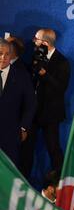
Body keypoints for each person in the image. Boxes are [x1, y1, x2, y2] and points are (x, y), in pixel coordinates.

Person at [21, 28, 71, 178]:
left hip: (51, 114)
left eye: (36, 39)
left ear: (45, 42)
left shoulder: (62, 62)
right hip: (34, 112)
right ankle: (23, 181)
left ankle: (61, 183)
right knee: (26, 149)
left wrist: (44, 74)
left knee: (53, 148)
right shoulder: (36, 57)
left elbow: (61, 88)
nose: (33, 41)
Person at [0, 39, 36, 167]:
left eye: (7, 54)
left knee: (9, 171)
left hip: (10, 134)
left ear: (11, 55)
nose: (3, 57)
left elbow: (31, 104)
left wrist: (23, 127)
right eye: (0, 53)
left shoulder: (21, 76)